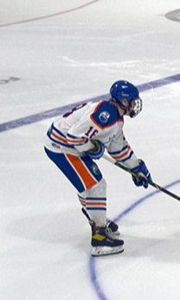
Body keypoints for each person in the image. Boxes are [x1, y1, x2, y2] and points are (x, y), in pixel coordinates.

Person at [43, 80, 151, 257]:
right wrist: (94, 148)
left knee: (91, 184)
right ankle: (99, 237)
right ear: (123, 101)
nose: (134, 104)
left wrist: (137, 167)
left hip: (70, 146)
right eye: (132, 100)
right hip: (61, 147)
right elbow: (74, 137)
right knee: (95, 186)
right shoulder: (105, 115)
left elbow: (119, 149)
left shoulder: (115, 118)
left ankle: (96, 217)